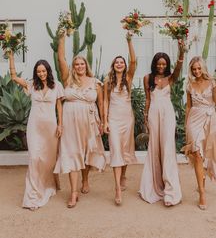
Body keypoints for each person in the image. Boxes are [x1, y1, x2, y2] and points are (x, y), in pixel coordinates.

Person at [53, 34, 106, 208]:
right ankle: (74, 193)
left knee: (86, 152)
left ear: (86, 65)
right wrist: (62, 36)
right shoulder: (68, 78)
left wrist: (103, 122)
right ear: (73, 67)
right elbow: (60, 57)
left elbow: (101, 102)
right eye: (76, 64)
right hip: (70, 121)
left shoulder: (95, 82)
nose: (79, 66)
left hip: (89, 120)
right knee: (72, 153)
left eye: (82, 64)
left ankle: (85, 180)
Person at [8, 51, 64, 210]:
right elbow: (13, 77)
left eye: (43, 71)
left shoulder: (57, 85)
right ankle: (32, 196)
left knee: (48, 160)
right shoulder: (32, 84)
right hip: (35, 127)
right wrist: (12, 57)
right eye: (38, 71)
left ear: (48, 71)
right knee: (34, 159)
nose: (41, 74)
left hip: (51, 128)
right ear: (36, 73)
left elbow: (59, 106)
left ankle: (51, 182)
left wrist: (60, 125)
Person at [182, 56, 216, 210]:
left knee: (205, 154)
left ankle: (203, 178)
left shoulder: (212, 82)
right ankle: (202, 193)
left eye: (199, 68)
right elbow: (188, 107)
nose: (197, 71)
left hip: (210, 119)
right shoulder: (189, 85)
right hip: (194, 119)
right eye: (194, 69)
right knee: (197, 154)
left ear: (203, 68)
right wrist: (186, 125)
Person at [139, 42, 185, 206]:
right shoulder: (147, 78)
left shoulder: (170, 77)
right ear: (154, 64)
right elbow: (148, 99)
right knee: (154, 148)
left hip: (167, 114)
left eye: (164, 64)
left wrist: (181, 50)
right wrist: (145, 117)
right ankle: (154, 185)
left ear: (167, 65)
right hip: (153, 114)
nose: (161, 66)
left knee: (167, 148)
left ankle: (170, 191)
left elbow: (179, 69)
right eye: (158, 63)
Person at [103, 32, 137, 205]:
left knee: (124, 150)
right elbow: (105, 101)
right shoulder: (107, 80)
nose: (119, 64)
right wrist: (105, 121)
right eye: (116, 62)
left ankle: (123, 175)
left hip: (127, 119)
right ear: (113, 65)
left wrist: (129, 40)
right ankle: (117, 188)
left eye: (121, 62)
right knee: (116, 150)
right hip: (114, 120)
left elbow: (133, 61)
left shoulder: (128, 79)